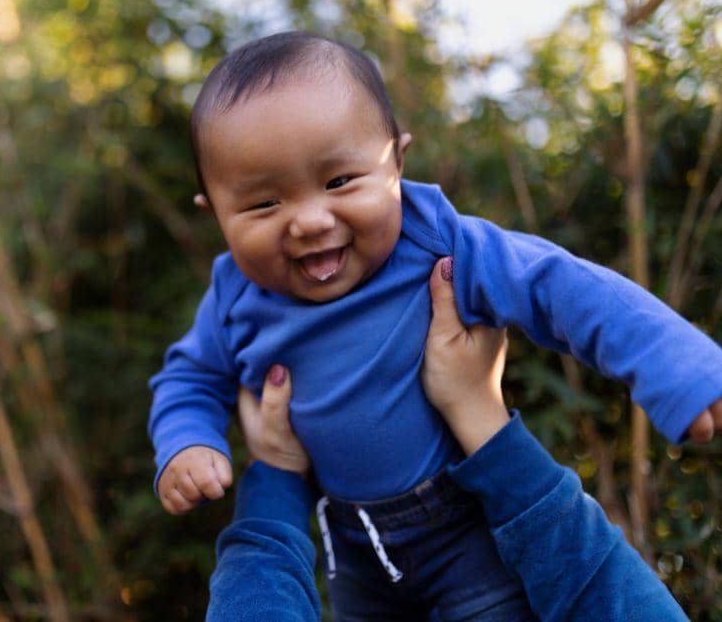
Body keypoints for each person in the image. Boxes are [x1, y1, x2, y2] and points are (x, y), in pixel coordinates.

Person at [148, 31, 722, 617]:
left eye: (340, 181)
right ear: (214, 213)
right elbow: (189, 379)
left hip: (464, 533)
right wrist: (186, 442)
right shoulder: (233, 295)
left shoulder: (439, 243)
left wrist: (674, 365)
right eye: (264, 204)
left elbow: (559, 287)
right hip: (354, 551)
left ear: (397, 161)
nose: (310, 220)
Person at [206, 257, 686, 621]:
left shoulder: (430, 233)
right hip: (366, 552)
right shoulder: (232, 289)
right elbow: (602, 594)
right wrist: (481, 415)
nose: (310, 219)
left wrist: (274, 478)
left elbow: (547, 277)